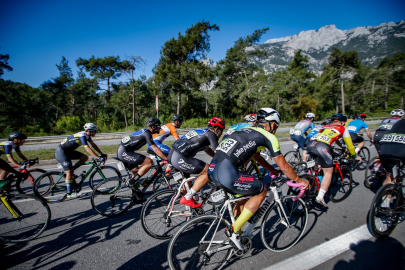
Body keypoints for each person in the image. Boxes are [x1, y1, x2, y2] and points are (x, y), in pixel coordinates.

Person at [208, 108, 309, 250]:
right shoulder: (269, 137)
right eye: (276, 126)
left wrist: (273, 170)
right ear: (273, 124)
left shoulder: (246, 130)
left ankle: (237, 232)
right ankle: (234, 230)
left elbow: (257, 157)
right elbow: (285, 166)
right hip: (227, 173)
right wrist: (299, 180)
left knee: (242, 196)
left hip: (213, 169)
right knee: (261, 191)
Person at [306, 113, 361, 207]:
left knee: (319, 166)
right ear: (343, 123)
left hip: (310, 144)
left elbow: (328, 139)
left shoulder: (325, 126)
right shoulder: (343, 129)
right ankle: (320, 197)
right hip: (321, 146)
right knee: (328, 172)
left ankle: (313, 182)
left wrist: (332, 151)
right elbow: (350, 146)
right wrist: (355, 156)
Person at [168, 117, 225, 208]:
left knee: (188, 185)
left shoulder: (202, 132)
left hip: (172, 155)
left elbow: (207, 149)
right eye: (221, 131)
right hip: (180, 157)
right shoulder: (211, 134)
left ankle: (189, 211)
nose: (220, 134)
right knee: (207, 172)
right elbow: (217, 152)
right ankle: (187, 198)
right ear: (217, 129)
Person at [55, 123, 107, 198]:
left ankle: (71, 170)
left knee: (85, 158)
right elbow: (87, 149)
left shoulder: (87, 136)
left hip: (68, 151)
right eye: (95, 131)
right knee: (69, 171)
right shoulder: (82, 136)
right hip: (61, 152)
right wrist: (98, 158)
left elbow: (93, 145)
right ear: (89, 131)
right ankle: (69, 194)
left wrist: (101, 153)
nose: (96, 133)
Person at [118, 118, 168, 190]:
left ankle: (135, 194)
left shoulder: (147, 132)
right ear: (153, 127)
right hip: (124, 152)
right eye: (159, 126)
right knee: (149, 162)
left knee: (136, 171)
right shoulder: (146, 134)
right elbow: (155, 149)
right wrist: (166, 158)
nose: (160, 128)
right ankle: (131, 182)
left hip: (126, 151)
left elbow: (154, 147)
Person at [374, 109, 405, 186]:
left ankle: (386, 197)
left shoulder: (399, 122)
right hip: (400, 149)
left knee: (389, 176)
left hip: (385, 144)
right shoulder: (399, 120)